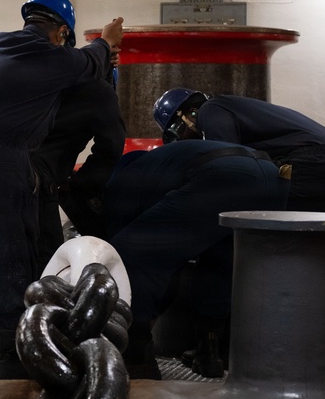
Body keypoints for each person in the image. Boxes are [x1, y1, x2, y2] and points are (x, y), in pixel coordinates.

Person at [0, 0, 123, 380]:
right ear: (60, 33)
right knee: (9, 267)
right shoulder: (51, 60)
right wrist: (106, 42)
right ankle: (9, 373)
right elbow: (87, 65)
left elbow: (81, 65)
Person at [103, 139, 290, 380]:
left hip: (224, 177)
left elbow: (133, 259)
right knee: (220, 262)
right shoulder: (167, 163)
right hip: (274, 178)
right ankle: (208, 354)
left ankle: (138, 360)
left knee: (129, 254)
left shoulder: (120, 183)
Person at [152, 89, 325, 216]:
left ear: (186, 117)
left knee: (277, 234)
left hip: (313, 161)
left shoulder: (211, 110)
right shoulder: (234, 108)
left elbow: (229, 170)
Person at [30, 56, 125, 270]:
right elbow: (111, 147)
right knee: (49, 267)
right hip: (36, 181)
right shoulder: (99, 90)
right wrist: (81, 183)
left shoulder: (46, 82)